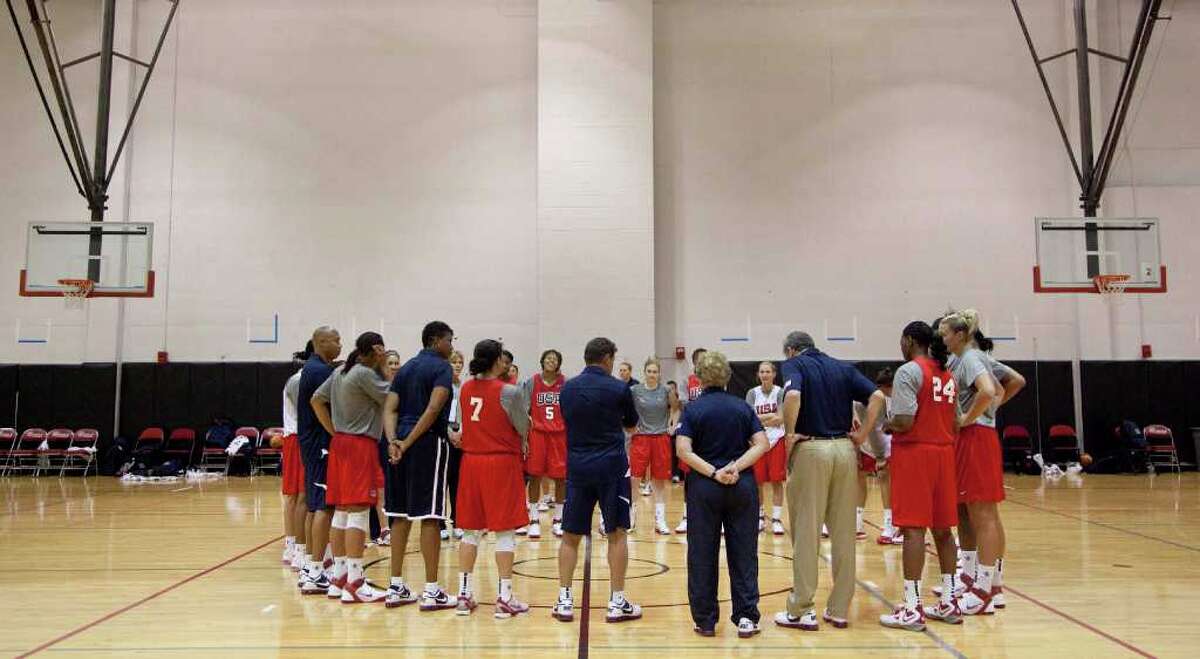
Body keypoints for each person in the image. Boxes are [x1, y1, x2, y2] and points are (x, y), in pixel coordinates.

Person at [774, 331, 878, 632]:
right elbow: (877, 396)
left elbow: (793, 396)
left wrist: (790, 434)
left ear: (791, 350)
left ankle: (801, 608)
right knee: (844, 532)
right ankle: (839, 608)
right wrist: (862, 434)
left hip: (812, 449)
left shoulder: (794, 366)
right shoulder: (842, 367)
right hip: (845, 451)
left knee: (807, 530)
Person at [870, 322, 962, 631]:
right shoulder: (947, 374)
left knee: (912, 530)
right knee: (944, 530)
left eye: (901, 339)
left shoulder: (909, 371)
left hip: (916, 454)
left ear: (909, 340)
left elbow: (906, 420)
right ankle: (950, 601)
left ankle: (911, 607)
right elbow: (958, 422)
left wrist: (888, 425)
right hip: (945, 453)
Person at [676, 351, 769, 638]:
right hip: (741, 486)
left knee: (702, 552)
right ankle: (746, 618)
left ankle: (705, 620)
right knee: (743, 551)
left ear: (700, 378)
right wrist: (736, 467)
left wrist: (715, 472)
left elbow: (683, 451)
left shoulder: (692, 410)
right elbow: (762, 444)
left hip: (705, 488)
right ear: (727, 376)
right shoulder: (742, 408)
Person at [937, 310, 1024, 615]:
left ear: (960, 335)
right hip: (976, 436)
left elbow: (989, 391)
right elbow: (1002, 388)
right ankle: (992, 585)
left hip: (975, 437)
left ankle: (983, 589)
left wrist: (968, 417)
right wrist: (989, 409)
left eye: (945, 333)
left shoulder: (971, 357)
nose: (942, 338)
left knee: (983, 514)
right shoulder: (966, 359)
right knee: (983, 513)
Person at [552, 337, 643, 624]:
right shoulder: (619, 388)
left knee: (570, 535)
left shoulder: (566, 388)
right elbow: (631, 425)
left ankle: (564, 599)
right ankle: (616, 602)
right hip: (611, 467)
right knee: (616, 533)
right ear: (606, 359)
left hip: (578, 467)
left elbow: (567, 421)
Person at [454, 340, 533, 619]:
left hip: (471, 463)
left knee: (470, 531)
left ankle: (463, 595)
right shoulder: (509, 391)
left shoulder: (465, 388)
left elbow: (461, 427)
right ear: (496, 361)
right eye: (502, 358)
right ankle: (505, 597)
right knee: (505, 532)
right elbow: (523, 426)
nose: (506, 362)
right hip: (501, 462)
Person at [310, 331, 391, 603]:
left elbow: (316, 400)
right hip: (359, 446)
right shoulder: (365, 374)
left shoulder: (341, 372)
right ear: (376, 349)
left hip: (341, 445)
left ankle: (340, 576)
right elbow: (392, 399)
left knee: (341, 512)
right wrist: (383, 368)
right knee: (357, 512)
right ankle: (356, 581)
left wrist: (333, 431)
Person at [382, 321, 456, 610]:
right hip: (426, 445)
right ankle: (431, 590)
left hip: (399, 443)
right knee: (430, 517)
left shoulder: (408, 367)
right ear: (436, 340)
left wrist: (393, 441)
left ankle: (396, 586)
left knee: (398, 515)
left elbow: (389, 407)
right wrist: (409, 442)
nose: (451, 345)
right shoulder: (441, 367)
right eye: (449, 340)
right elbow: (434, 408)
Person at [297, 326, 341, 595]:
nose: (339, 344)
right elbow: (319, 403)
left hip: (312, 444)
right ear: (322, 342)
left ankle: (314, 563)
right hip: (319, 445)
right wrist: (334, 432)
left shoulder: (314, 368)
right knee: (323, 505)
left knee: (315, 505)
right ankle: (315, 571)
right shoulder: (319, 372)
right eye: (336, 340)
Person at [630, 357, 679, 535]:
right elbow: (625, 410)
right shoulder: (634, 390)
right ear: (644, 372)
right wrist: (629, 426)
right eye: (649, 371)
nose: (652, 374)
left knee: (659, 480)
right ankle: (631, 517)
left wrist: (673, 425)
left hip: (660, 438)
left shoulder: (666, 390)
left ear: (659, 374)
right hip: (640, 438)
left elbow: (676, 407)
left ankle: (660, 520)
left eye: (655, 372)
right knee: (634, 478)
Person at [522, 349, 568, 538]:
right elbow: (524, 410)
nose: (551, 361)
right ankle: (533, 519)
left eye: (555, 359)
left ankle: (558, 520)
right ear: (542, 361)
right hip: (537, 434)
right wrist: (524, 438)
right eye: (548, 358)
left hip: (559, 435)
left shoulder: (565, 383)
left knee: (560, 478)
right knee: (534, 476)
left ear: (558, 364)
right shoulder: (532, 382)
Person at [856, 369, 899, 544]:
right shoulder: (862, 402)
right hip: (868, 442)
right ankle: (857, 523)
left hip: (889, 445)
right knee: (859, 477)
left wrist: (881, 456)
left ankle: (892, 524)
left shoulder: (898, 399)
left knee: (886, 479)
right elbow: (870, 429)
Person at [746, 361, 786, 536]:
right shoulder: (752, 393)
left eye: (768, 371)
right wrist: (771, 415)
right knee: (757, 482)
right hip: (758, 441)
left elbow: (781, 419)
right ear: (758, 374)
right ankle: (760, 516)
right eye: (762, 372)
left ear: (774, 374)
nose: (765, 375)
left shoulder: (780, 392)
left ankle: (776, 519)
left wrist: (760, 418)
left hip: (777, 439)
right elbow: (748, 418)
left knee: (777, 481)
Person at [281, 343, 310, 571]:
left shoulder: (303, 378)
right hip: (298, 438)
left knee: (299, 496)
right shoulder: (299, 380)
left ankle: (295, 545)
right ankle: (293, 545)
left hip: (300, 439)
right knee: (295, 495)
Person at [674, 347, 708, 534]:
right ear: (695, 362)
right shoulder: (687, 381)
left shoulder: (715, 381)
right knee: (689, 476)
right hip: (692, 430)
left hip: (709, 430)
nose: (704, 362)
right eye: (701, 359)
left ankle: (713, 518)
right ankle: (687, 517)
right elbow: (684, 403)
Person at [442, 349, 466, 541]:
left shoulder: (464, 387)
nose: (457, 365)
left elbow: (464, 412)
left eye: (460, 362)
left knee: (457, 482)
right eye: (454, 362)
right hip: (444, 435)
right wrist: (448, 432)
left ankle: (457, 521)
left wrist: (462, 431)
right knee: (442, 481)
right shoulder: (441, 385)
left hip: (460, 437)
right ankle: (440, 522)